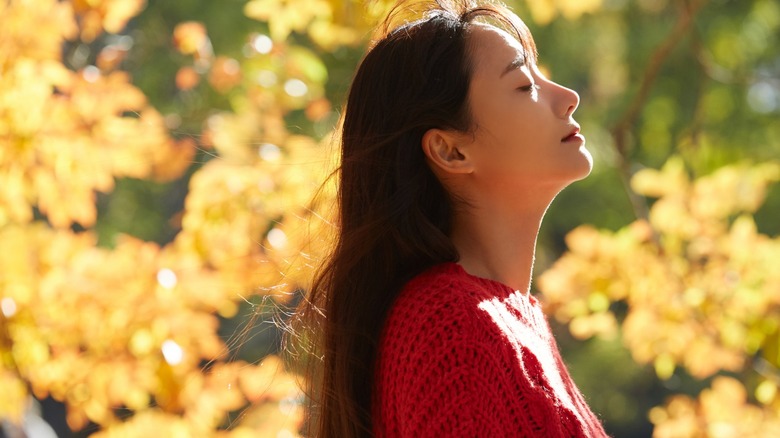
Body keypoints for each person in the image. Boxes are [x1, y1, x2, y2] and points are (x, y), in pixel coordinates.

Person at [292, 0, 608, 436]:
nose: (568, 98)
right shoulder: (452, 331)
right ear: (451, 151)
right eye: (523, 85)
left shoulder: (505, 321)